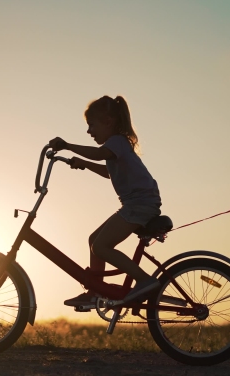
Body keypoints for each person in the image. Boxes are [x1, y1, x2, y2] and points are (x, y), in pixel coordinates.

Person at [49, 95, 162, 307]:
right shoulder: (116, 146)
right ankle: (95, 290)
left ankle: (145, 280)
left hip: (140, 204)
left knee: (101, 246)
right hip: (138, 203)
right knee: (94, 240)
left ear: (108, 122)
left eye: (92, 125)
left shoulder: (116, 142)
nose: (89, 131)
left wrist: (67, 145)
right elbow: (108, 172)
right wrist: (84, 163)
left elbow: (99, 154)